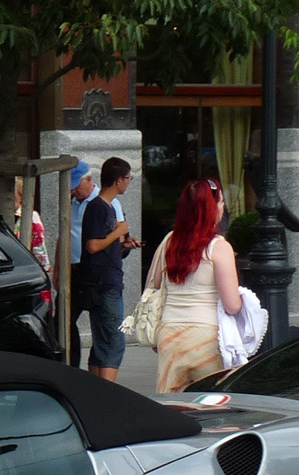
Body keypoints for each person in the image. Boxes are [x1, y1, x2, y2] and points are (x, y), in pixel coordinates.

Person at [149, 178, 244, 392]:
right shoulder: (219, 247)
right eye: (220, 202)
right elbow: (232, 305)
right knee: (210, 403)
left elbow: (153, 287)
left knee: (172, 405)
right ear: (211, 209)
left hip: (170, 333)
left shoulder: (169, 241)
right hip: (206, 336)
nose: (223, 207)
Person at [76, 156, 142, 382]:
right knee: (114, 342)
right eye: (127, 178)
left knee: (103, 343)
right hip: (104, 286)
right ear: (117, 181)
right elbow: (93, 245)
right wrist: (118, 231)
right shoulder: (100, 207)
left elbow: (103, 245)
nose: (129, 182)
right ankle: (105, 395)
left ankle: (95, 392)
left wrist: (124, 244)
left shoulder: (107, 208)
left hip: (106, 282)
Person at [65, 161, 92, 366]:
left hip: (90, 269)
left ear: (88, 180)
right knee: (63, 317)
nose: (74, 190)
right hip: (71, 267)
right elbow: (63, 235)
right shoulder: (72, 202)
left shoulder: (100, 201)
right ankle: (71, 362)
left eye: (76, 185)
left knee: (71, 317)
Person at [12, 176, 50, 273]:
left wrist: (43, 271)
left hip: (26, 269)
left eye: (13, 194)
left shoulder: (31, 216)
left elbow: (38, 246)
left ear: (21, 196)